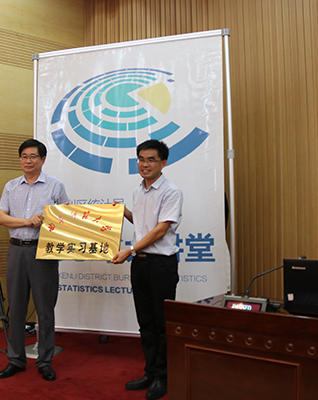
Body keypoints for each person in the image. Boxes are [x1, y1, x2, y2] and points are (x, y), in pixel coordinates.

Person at [111, 139, 183, 400]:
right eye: (141, 159)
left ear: (163, 163)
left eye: (151, 159)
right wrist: (123, 212)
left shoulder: (171, 192)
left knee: (162, 324)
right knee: (146, 322)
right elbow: (143, 226)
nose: (145, 164)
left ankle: (163, 376)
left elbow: (160, 230)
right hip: (140, 263)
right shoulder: (138, 191)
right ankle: (150, 372)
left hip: (161, 264)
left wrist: (129, 250)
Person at [0, 139, 69, 382]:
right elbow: (1, 218)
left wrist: (48, 220)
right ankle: (15, 359)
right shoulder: (11, 186)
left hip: (43, 251)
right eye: (24, 156)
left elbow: (65, 220)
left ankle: (45, 361)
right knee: (16, 307)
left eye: (33, 156)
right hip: (16, 250)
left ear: (43, 159)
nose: (28, 161)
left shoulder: (55, 186)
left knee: (45, 310)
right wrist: (27, 221)